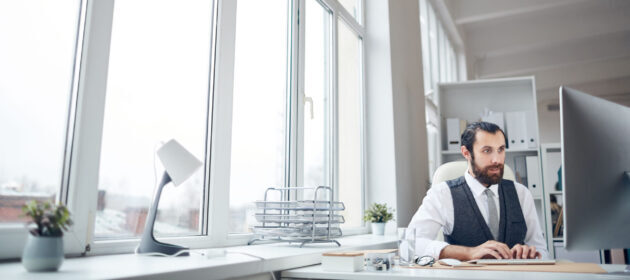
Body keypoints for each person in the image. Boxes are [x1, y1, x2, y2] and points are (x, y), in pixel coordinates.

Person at [407, 121, 548, 261]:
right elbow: (411, 243)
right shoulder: (443, 194)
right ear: (466, 152)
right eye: (487, 151)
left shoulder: (521, 193)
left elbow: (541, 250)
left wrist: (531, 254)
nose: (496, 160)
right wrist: (468, 253)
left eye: (501, 149)